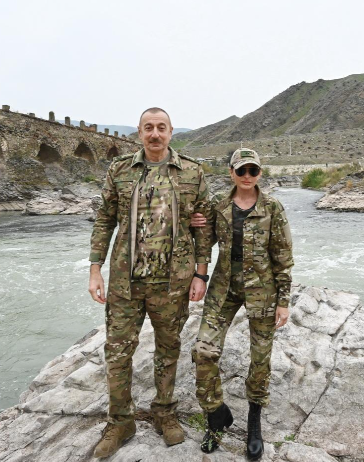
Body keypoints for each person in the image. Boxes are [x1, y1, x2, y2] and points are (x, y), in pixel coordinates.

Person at [88, 107, 212, 458]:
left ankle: (164, 413)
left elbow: (205, 227)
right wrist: (95, 268)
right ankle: (120, 421)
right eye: (148, 128)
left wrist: (201, 272)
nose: (154, 134)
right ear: (139, 133)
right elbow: (104, 220)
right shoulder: (120, 169)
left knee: (168, 349)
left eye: (161, 128)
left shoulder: (192, 171)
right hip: (126, 282)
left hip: (173, 283)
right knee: (117, 352)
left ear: (171, 132)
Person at [190, 148, 294, 460]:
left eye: (253, 171)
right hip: (224, 289)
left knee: (260, 361)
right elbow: (202, 243)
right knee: (202, 351)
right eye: (241, 171)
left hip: (263, 291)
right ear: (231, 173)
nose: (247, 176)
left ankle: (253, 422)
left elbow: (284, 256)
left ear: (260, 174)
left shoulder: (273, 207)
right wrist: (192, 222)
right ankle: (216, 415)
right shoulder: (217, 205)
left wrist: (284, 301)